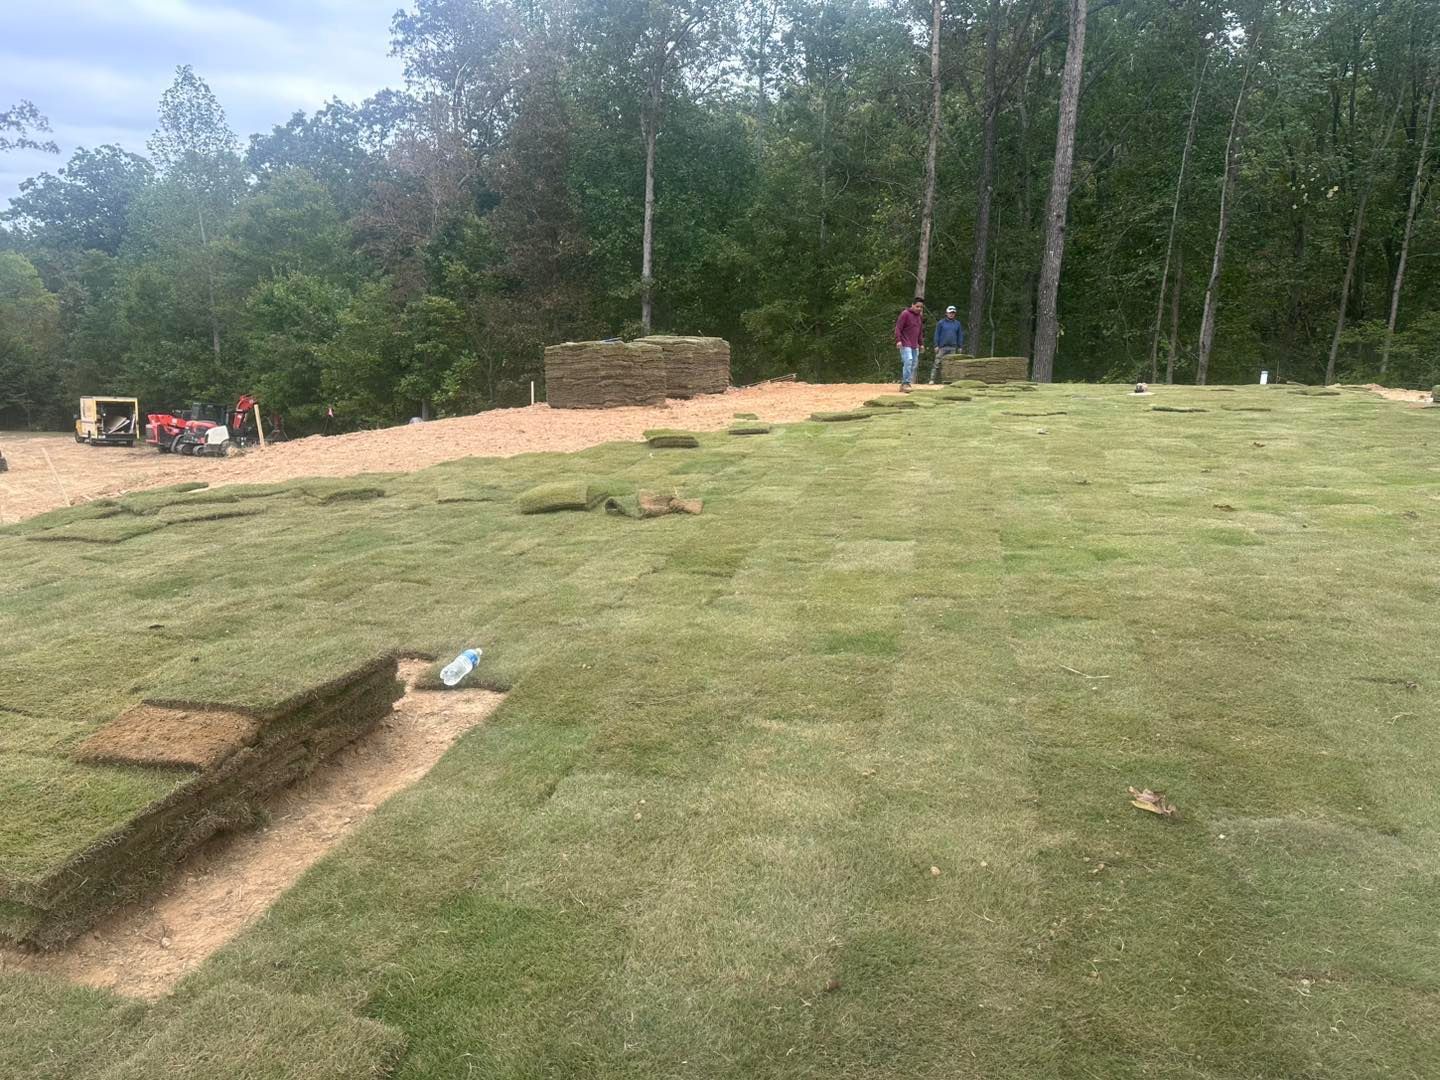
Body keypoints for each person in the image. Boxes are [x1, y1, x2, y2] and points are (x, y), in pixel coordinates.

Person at [894, 298, 925, 391]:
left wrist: (921, 344)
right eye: (917, 306)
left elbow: (920, 332)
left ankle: (906, 383)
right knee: (908, 361)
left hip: (914, 344)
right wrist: (898, 340)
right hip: (905, 343)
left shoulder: (919, 317)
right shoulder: (905, 314)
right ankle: (905, 383)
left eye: (921, 307)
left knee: (914, 364)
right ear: (912, 305)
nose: (919, 308)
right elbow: (898, 328)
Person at [930, 305, 965, 383]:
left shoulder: (957, 324)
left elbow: (960, 335)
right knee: (937, 363)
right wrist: (936, 345)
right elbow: (936, 334)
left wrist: (960, 346)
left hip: (953, 347)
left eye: (953, 313)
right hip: (942, 347)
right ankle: (932, 379)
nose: (951, 314)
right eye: (950, 313)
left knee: (951, 365)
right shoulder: (941, 323)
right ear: (946, 313)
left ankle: (948, 381)